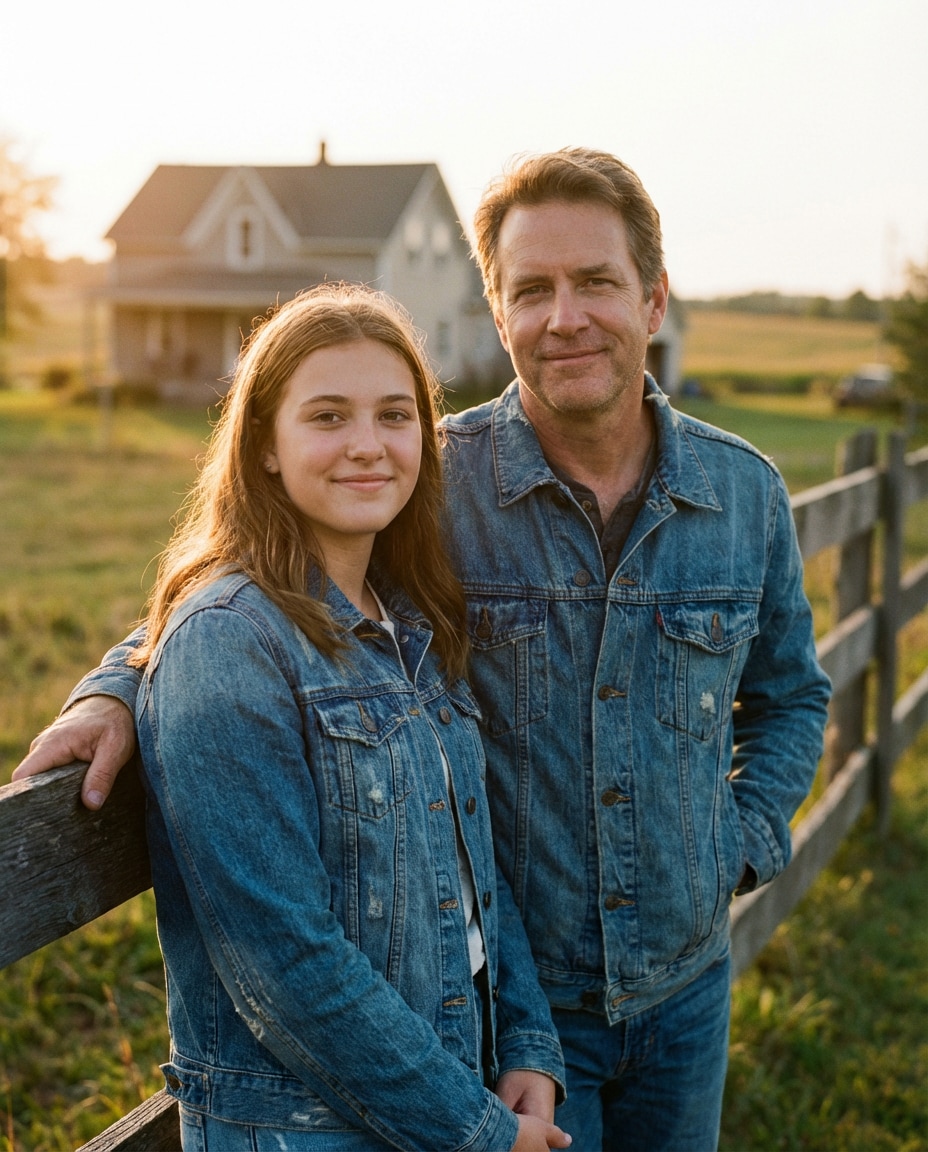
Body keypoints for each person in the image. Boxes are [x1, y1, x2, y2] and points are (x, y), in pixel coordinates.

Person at [16, 149, 831, 1151]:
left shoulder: (742, 492)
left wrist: (737, 847)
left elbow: (792, 696)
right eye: (531, 290)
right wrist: (115, 684)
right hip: (511, 1008)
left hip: (687, 985)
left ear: (653, 298)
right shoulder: (427, 475)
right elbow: (253, 580)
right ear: (497, 311)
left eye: (595, 282)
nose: (564, 317)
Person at [26, 283, 569, 1151]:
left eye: (395, 415)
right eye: (327, 416)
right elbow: (282, 962)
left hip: (453, 1081)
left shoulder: (411, 618)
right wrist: (478, 1132)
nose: (368, 444)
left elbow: (479, 870)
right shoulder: (229, 642)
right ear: (265, 447)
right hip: (310, 1128)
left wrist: (528, 1046)